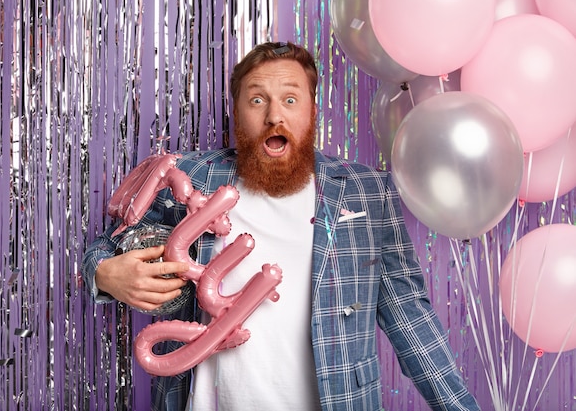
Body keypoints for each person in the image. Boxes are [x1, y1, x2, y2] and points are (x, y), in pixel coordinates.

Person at [82, 41, 480, 411]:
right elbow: (108, 244)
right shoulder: (191, 177)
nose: (275, 115)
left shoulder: (366, 191)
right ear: (237, 113)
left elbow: (411, 319)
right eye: (257, 100)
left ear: (311, 111)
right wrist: (104, 273)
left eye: (290, 99)